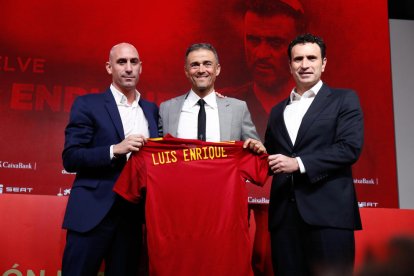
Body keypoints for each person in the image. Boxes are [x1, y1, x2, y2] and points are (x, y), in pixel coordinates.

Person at [265, 33, 364, 276]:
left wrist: (298, 163)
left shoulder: (344, 99)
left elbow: (349, 148)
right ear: (290, 66)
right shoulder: (278, 110)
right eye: (298, 59)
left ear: (324, 63)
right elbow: (270, 156)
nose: (305, 64)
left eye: (312, 58)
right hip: (283, 220)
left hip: (328, 216)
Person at [61, 42, 159, 275]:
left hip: (132, 218)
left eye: (133, 62)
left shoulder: (152, 110)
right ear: (109, 67)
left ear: (141, 67)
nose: (128, 68)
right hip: (92, 213)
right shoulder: (88, 104)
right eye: (121, 62)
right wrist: (115, 149)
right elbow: (71, 157)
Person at [159, 42, 264, 150]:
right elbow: (155, 154)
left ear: (217, 69)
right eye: (195, 65)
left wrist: (259, 149)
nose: (201, 70)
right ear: (186, 71)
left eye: (207, 64)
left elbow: (256, 150)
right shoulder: (167, 109)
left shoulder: (238, 109)